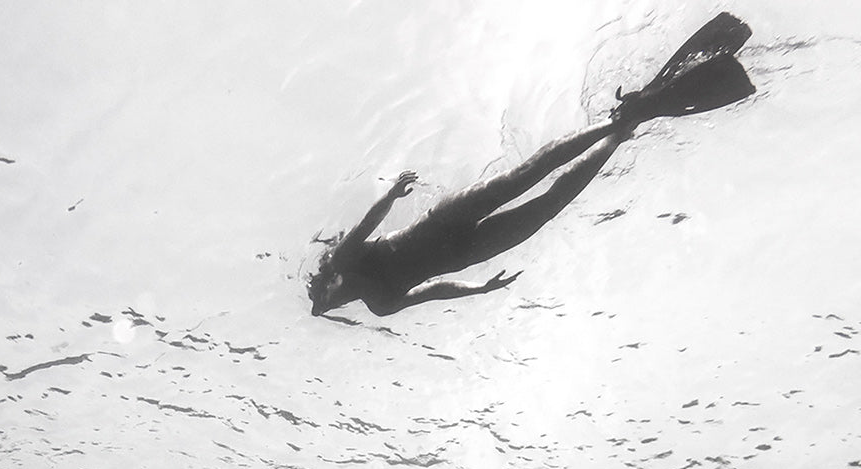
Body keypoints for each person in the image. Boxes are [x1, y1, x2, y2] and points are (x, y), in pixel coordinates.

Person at [309, 12, 756, 319]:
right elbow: (431, 291)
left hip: (444, 220)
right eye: (329, 307)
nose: (334, 302)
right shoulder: (382, 305)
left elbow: (368, 223)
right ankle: (625, 129)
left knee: (527, 174)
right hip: (471, 252)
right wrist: (478, 290)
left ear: (329, 284)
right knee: (550, 205)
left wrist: (390, 195)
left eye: (326, 298)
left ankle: (612, 121)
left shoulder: (348, 259)